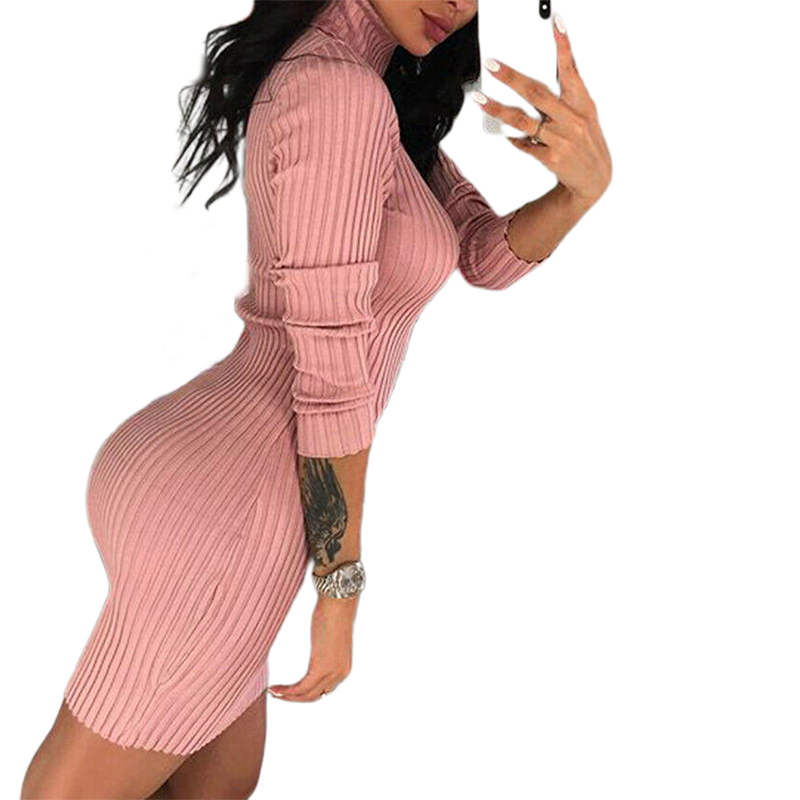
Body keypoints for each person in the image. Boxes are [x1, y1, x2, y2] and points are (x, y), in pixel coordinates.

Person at [20, 0, 611, 797]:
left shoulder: (373, 89)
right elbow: (330, 367)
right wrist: (340, 589)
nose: (459, 2)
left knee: (217, 785)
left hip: (232, 487)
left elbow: (479, 254)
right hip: (232, 512)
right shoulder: (336, 90)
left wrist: (578, 194)